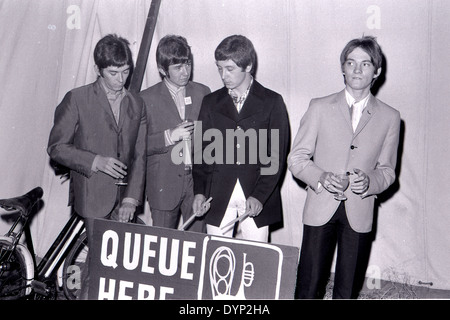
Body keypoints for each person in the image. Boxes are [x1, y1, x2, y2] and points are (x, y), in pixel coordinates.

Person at [287, 36, 401, 299]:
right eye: (351, 63)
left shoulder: (390, 117)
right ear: (343, 68)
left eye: (365, 64)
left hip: (359, 211)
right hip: (319, 207)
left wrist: (369, 182)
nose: (357, 70)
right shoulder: (319, 107)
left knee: (347, 290)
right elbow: (297, 158)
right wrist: (321, 177)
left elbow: (387, 171)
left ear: (377, 71)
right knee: (308, 286)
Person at [47, 34, 147, 298]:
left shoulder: (136, 103)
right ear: (98, 70)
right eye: (113, 73)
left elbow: (139, 155)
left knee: (120, 268)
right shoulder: (77, 99)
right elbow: (56, 147)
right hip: (94, 198)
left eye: (126, 72)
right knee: (100, 265)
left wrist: (132, 200)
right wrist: (95, 161)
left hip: (124, 199)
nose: (121, 79)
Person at [192, 35, 290, 242]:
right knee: (216, 258)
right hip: (217, 196)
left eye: (230, 69)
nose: (223, 75)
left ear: (248, 66)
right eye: (219, 68)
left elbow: (275, 158)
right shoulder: (210, 102)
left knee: (255, 259)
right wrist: (200, 192)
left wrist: (260, 195)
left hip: (255, 196)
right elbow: (201, 153)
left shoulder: (272, 102)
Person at [139, 35, 210, 232]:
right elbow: (136, 147)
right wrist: (168, 136)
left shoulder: (203, 92)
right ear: (162, 70)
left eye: (187, 64)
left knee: (198, 246)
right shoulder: (145, 98)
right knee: (162, 248)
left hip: (197, 185)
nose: (185, 72)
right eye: (178, 67)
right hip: (163, 184)